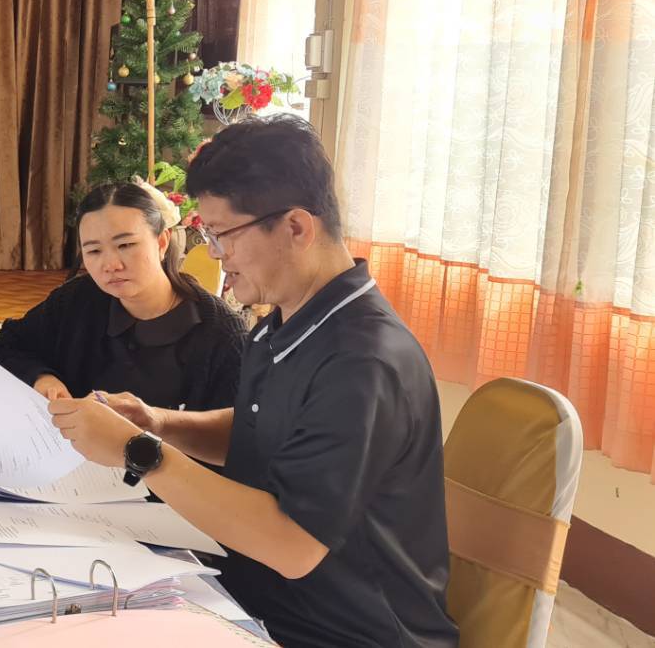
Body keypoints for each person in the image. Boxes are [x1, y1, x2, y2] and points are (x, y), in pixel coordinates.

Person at [48, 116, 457, 647]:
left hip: (341, 630)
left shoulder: (362, 361)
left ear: (295, 228)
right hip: (252, 596)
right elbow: (263, 431)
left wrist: (139, 451)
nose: (216, 254)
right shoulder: (287, 319)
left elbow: (292, 545)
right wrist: (160, 424)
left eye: (223, 236)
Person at [0, 180, 243, 413]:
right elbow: (7, 345)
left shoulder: (221, 335)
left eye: (125, 245)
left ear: (162, 242)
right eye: (94, 251)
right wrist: (42, 378)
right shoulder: (78, 299)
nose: (111, 265)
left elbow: (230, 438)